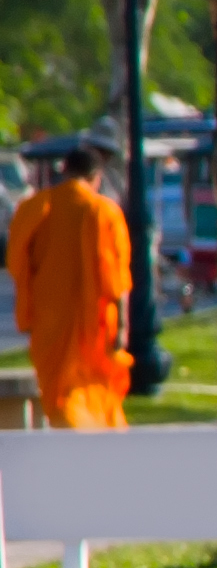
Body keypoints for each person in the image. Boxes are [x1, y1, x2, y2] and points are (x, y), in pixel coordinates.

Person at [8, 144, 134, 428]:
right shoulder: (104, 211)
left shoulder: (36, 208)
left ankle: (73, 433)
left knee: (60, 392)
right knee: (95, 390)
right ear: (95, 177)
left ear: (64, 172)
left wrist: (27, 308)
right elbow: (117, 279)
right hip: (95, 324)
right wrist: (123, 325)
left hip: (49, 320)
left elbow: (18, 263)